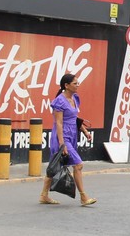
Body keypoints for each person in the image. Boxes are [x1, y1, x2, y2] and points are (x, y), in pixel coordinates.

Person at [40, 73, 96, 206]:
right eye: (75, 83)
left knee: (54, 166)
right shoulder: (59, 101)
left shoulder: (75, 98)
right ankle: (83, 197)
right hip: (62, 137)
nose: (78, 85)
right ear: (66, 85)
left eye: (78, 83)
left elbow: (74, 118)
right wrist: (62, 144)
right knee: (78, 165)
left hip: (72, 135)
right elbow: (59, 123)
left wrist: (85, 131)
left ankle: (44, 195)